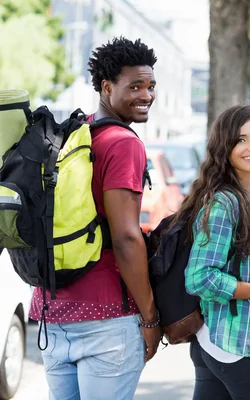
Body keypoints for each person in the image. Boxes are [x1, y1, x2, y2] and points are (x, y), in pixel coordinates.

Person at [28, 37, 161, 399]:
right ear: (106, 87)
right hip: (107, 319)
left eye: (150, 86)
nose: (146, 95)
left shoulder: (74, 133)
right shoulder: (123, 143)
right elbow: (126, 237)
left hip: (51, 312)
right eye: (135, 86)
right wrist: (150, 317)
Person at [181, 105, 250, 400]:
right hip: (232, 343)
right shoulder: (224, 203)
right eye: (240, 140)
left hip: (214, 340)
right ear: (224, 148)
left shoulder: (239, 199)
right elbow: (200, 278)